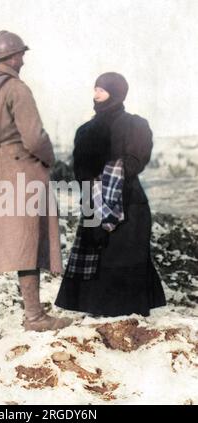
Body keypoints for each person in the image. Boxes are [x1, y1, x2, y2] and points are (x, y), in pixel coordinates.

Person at [0, 30, 72, 338]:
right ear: (14, 57)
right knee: (27, 243)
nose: (23, 60)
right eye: (22, 55)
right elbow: (34, 138)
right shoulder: (18, 89)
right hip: (20, 178)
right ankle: (34, 316)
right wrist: (49, 159)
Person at [55, 72, 166, 317]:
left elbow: (135, 161)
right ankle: (99, 313)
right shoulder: (84, 130)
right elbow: (79, 169)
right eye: (95, 89)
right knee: (98, 257)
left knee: (125, 258)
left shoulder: (136, 125)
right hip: (92, 203)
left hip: (128, 203)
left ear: (116, 93)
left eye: (101, 90)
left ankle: (127, 321)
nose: (95, 95)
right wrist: (90, 187)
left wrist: (102, 176)